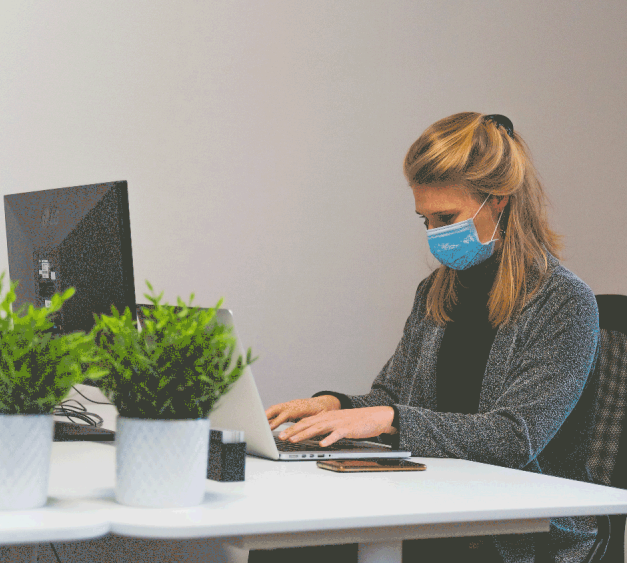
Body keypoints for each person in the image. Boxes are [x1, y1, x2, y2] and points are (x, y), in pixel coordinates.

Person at [256, 112, 600, 563]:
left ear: (498, 200)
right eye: (426, 220)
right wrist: (333, 405)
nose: (435, 234)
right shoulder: (437, 290)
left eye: (447, 217)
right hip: (436, 505)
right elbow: (392, 396)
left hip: (513, 534)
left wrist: (388, 416)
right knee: (280, 549)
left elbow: (515, 438)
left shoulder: (563, 302)